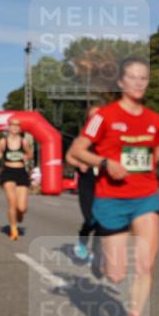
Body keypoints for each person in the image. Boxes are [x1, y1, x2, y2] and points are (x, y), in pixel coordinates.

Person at [68, 57, 159, 316]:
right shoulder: (103, 116)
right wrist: (105, 163)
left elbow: (157, 159)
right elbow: (77, 150)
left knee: (145, 264)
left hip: (145, 196)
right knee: (116, 274)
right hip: (111, 199)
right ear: (120, 82)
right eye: (133, 77)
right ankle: (101, 258)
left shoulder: (154, 119)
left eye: (144, 78)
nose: (139, 83)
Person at [66, 106, 101, 263]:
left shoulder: (110, 137)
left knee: (104, 220)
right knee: (90, 218)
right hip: (87, 183)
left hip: (105, 183)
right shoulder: (81, 139)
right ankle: (82, 241)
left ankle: (97, 252)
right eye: (93, 117)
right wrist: (79, 164)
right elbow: (69, 157)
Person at [0, 117, 33, 240]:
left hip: (21, 172)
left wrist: (27, 157)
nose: (15, 127)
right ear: (8, 127)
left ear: (20, 128)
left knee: (22, 208)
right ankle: (13, 230)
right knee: (12, 202)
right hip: (8, 172)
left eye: (17, 125)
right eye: (13, 125)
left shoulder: (24, 142)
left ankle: (19, 214)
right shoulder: (3, 142)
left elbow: (30, 154)